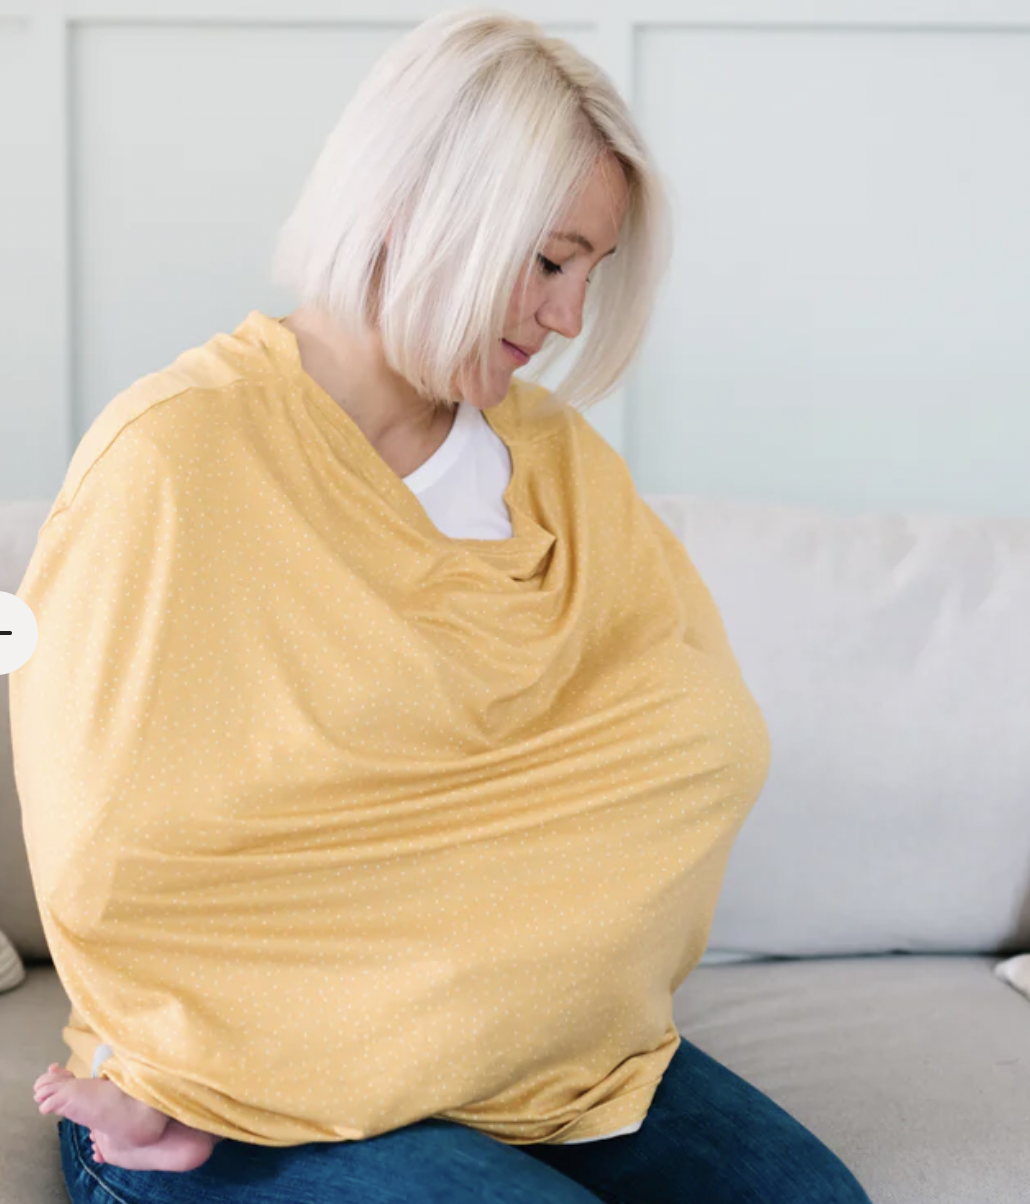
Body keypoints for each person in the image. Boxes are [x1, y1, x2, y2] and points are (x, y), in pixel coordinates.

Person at [14, 6, 876, 1202]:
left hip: (550, 1062)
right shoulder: (176, 454)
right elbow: (114, 846)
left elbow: (693, 740)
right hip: (218, 1088)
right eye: (551, 260)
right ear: (420, 205)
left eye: (591, 272)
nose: (569, 318)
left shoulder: (558, 466)